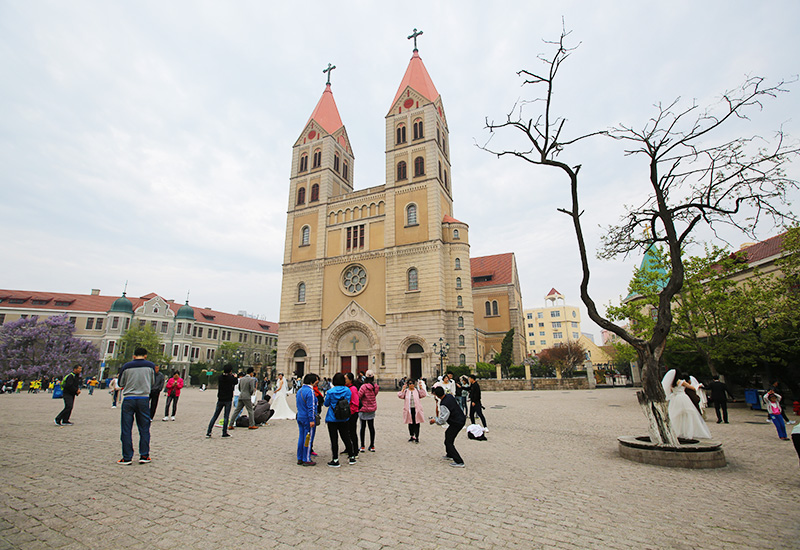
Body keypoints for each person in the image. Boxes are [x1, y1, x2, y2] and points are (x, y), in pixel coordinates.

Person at [117, 347, 155, 464]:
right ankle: (144, 455)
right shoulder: (150, 366)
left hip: (129, 398)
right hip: (143, 398)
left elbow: (120, 383)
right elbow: (152, 382)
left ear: (134, 356)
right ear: (145, 356)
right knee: (144, 428)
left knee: (126, 428)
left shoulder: (126, 366)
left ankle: (127, 457)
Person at [661, 370, 711, 439]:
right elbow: (692, 388)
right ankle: (688, 431)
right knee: (688, 414)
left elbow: (671, 391)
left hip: (675, 399)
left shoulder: (672, 384)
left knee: (676, 414)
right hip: (682, 397)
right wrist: (697, 386)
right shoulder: (682, 382)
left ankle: (676, 431)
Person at [323, 372, 356, 467]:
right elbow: (348, 401)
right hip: (344, 417)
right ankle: (352, 457)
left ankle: (335, 459)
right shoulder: (347, 390)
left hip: (332, 418)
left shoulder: (330, 392)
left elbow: (326, 404)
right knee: (346, 437)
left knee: (334, 439)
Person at [430, 386, 466, 467]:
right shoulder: (449, 396)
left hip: (457, 422)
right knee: (448, 434)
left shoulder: (443, 404)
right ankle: (449, 454)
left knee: (448, 442)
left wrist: (435, 420)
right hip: (460, 418)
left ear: (437, 395)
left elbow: (443, 419)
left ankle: (459, 461)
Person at [206, 364, 237, 438]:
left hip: (220, 398)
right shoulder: (231, 378)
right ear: (230, 371)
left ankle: (209, 431)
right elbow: (235, 382)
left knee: (215, 416)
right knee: (226, 416)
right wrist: (235, 377)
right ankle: (224, 432)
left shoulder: (220, 377)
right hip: (228, 399)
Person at [295, 373, 318, 466]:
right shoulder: (310, 392)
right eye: (316, 381)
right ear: (311, 382)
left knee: (301, 437)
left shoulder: (299, 390)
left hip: (300, 416)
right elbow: (311, 407)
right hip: (307, 418)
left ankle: (300, 457)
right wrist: (312, 419)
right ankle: (306, 458)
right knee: (308, 438)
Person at [398, 379, 426, 443]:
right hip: (409, 409)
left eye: (413, 383)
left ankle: (417, 436)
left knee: (417, 423)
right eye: (410, 383)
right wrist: (403, 389)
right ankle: (412, 435)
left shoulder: (417, 391)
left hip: (416, 409)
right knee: (410, 423)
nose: (411, 385)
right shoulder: (406, 391)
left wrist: (421, 388)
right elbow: (400, 395)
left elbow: (424, 394)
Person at [358, 370, 380, 452]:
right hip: (371, 408)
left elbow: (359, 396)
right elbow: (374, 395)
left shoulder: (363, 387)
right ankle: (372, 445)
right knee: (371, 427)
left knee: (362, 427)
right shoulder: (376, 386)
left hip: (363, 409)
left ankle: (362, 446)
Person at [344, 372, 361, 460]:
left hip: (352, 413)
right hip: (347, 413)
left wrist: (351, 412)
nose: (344, 380)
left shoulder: (353, 389)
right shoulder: (345, 388)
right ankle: (348, 448)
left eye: (346, 378)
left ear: (350, 380)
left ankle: (355, 450)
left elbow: (355, 403)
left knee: (352, 432)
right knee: (346, 432)